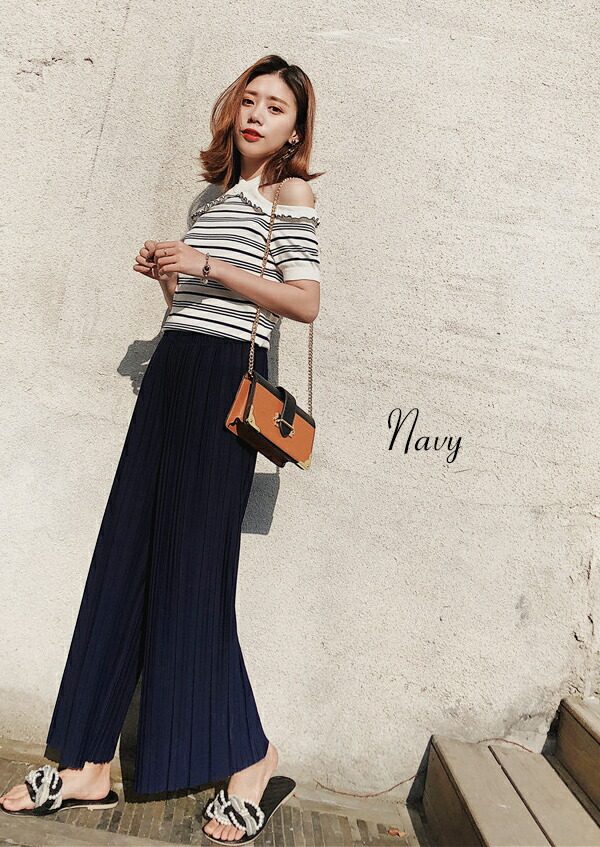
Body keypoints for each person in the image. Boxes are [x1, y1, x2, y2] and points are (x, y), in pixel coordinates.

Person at [0, 53, 322, 845]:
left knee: (191, 573)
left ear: (294, 130)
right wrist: (169, 279)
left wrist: (206, 261)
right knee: (125, 557)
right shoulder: (211, 199)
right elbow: (200, 306)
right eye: (249, 100)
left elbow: (304, 301)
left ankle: (251, 755)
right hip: (175, 374)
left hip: (224, 388)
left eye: (275, 107)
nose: (256, 114)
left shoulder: (290, 195)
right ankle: (87, 762)